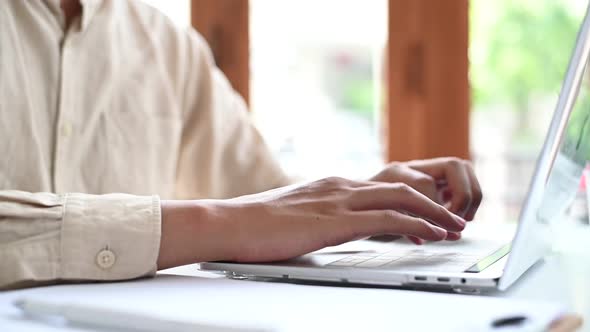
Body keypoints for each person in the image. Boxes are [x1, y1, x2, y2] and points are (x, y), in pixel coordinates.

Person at [0, 0, 482, 290]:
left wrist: (368, 201)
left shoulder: (168, 45)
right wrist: (217, 222)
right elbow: (242, 219)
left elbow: (265, 200)